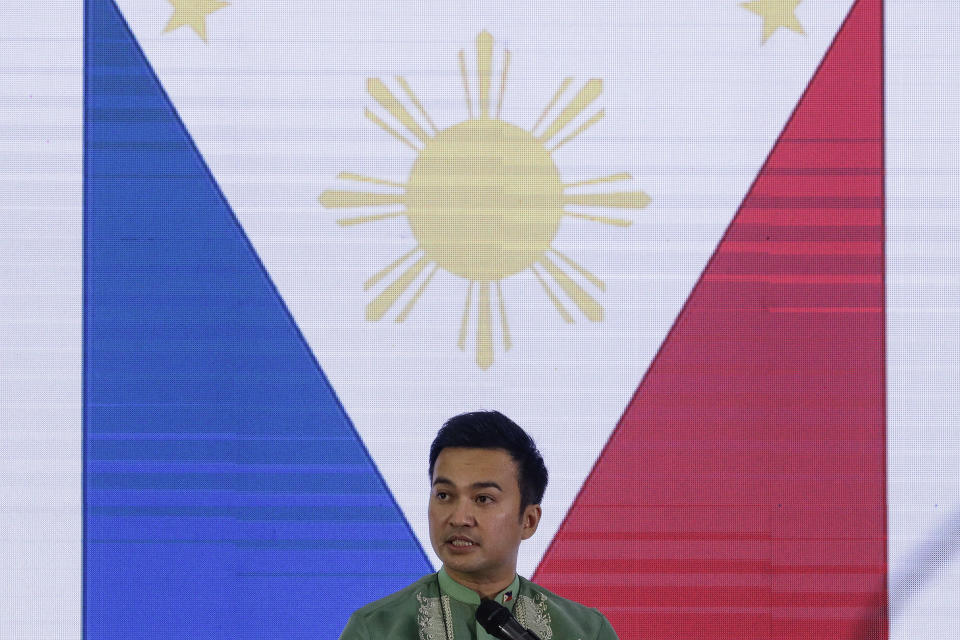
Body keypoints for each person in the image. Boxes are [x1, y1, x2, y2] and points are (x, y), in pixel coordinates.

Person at [339, 410, 619, 639]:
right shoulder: (375, 630)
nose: (459, 518)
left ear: (529, 521)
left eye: (483, 498)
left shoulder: (585, 632)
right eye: (444, 495)